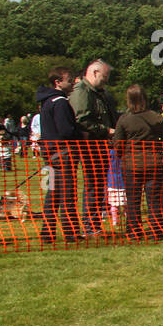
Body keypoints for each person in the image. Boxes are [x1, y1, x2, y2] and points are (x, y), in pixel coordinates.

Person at [112, 84, 163, 240]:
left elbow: (118, 143)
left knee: (133, 199)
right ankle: (157, 230)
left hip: (131, 165)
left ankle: (133, 231)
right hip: (154, 163)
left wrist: (123, 155)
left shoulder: (124, 119)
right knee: (154, 199)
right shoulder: (156, 117)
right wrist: (158, 152)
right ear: (145, 98)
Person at [69, 58, 117, 236]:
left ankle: (94, 224)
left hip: (101, 145)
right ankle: (91, 226)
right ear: (95, 73)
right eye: (105, 76)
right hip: (91, 145)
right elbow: (82, 120)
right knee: (93, 185)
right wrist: (107, 130)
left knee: (98, 185)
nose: (106, 80)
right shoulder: (82, 91)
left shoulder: (99, 93)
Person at [35, 66, 82, 243]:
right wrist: (80, 133)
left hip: (49, 155)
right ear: (58, 82)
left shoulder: (46, 101)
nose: (72, 83)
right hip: (63, 155)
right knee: (67, 195)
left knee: (51, 195)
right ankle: (71, 233)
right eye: (69, 80)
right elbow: (66, 130)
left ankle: (47, 233)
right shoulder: (60, 102)